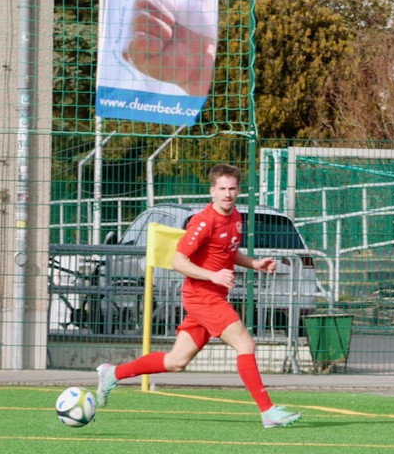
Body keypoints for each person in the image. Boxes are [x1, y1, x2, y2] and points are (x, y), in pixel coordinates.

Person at [95, 163, 301, 428]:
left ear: (238, 190)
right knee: (245, 345)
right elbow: (178, 261)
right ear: (212, 191)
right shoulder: (203, 221)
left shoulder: (236, 217)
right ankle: (268, 411)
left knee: (176, 362)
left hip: (213, 296)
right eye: (222, 189)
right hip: (203, 296)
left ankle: (113, 373)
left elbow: (228, 251)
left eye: (232, 188)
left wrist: (255, 263)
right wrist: (213, 276)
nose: (227, 194)